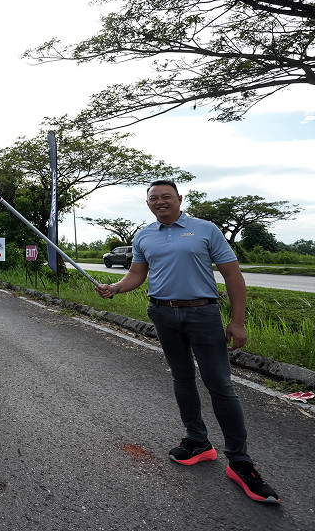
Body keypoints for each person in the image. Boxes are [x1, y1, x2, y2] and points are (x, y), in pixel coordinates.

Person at [95, 180, 279, 504]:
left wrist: (237, 321)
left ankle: (240, 461)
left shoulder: (205, 229)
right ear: (148, 203)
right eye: (154, 198)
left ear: (179, 199)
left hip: (203, 313)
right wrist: (116, 287)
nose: (160, 202)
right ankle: (198, 441)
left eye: (166, 196)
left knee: (220, 384)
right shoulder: (144, 236)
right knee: (181, 378)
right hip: (162, 313)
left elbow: (232, 274)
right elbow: (137, 274)